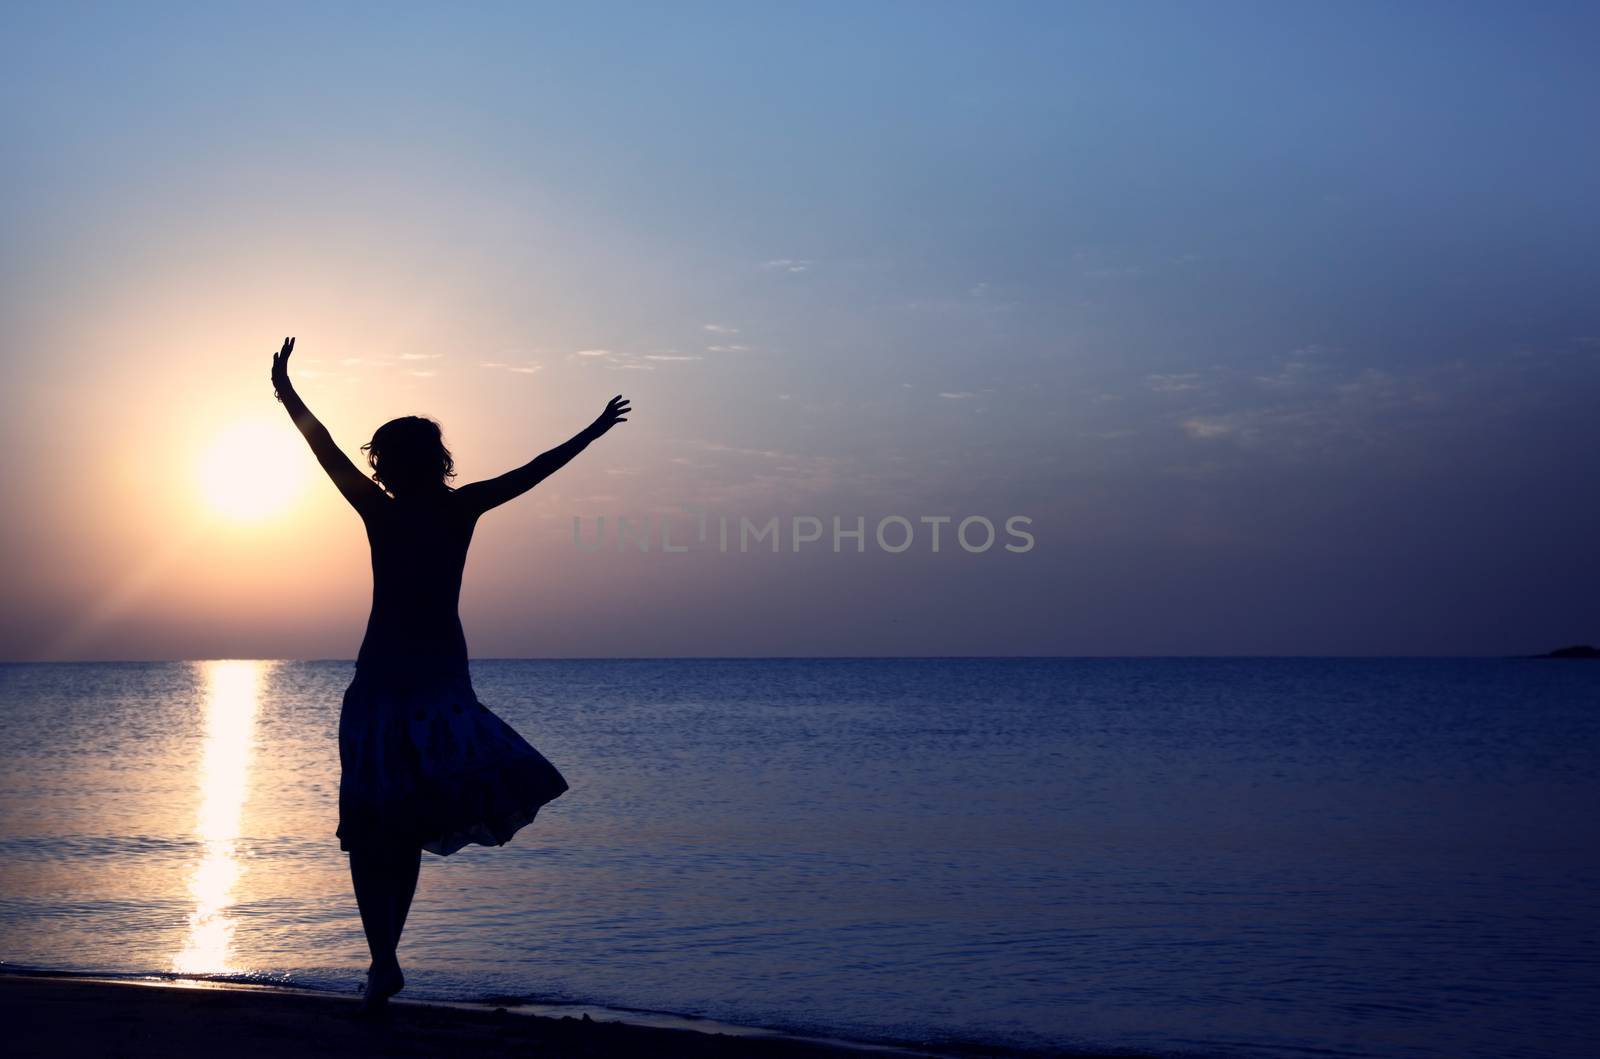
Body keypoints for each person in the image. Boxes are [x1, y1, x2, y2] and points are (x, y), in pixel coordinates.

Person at [269, 336, 630, 1014]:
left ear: (394, 463)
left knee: (377, 827)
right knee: (387, 827)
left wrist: (286, 390)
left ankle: (383, 960)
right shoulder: (443, 508)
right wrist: (594, 427)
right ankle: (383, 962)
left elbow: (325, 450)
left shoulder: (399, 509)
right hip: (413, 684)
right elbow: (535, 469)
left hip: (398, 684)